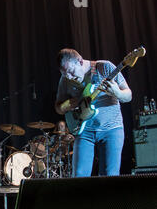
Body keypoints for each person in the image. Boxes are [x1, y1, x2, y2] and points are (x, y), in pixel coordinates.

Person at [55, 48, 132, 177]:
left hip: (111, 129)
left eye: (71, 72)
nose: (69, 77)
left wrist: (117, 93)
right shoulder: (65, 80)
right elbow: (58, 107)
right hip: (84, 131)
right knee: (79, 176)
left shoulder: (105, 67)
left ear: (79, 61)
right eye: (65, 74)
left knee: (109, 176)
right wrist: (65, 106)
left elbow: (128, 95)